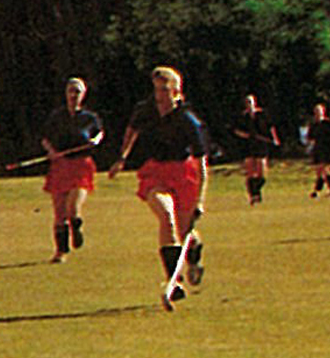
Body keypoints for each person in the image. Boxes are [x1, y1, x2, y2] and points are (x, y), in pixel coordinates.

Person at [109, 66, 210, 310]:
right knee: (167, 218)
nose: (160, 96)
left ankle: (193, 253)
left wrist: (200, 200)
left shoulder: (188, 120)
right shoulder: (145, 110)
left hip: (184, 173)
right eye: (157, 90)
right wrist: (122, 157)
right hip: (155, 172)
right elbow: (131, 130)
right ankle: (172, 281)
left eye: (165, 90)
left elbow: (202, 165)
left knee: (185, 231)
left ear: (176, 92)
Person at [40, 78, 103, 263]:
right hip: (60, 165)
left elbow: (99, 133)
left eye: (77, 91)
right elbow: (45, 138)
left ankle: (76, 228)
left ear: (83, 95)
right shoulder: (57, 117)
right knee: (59, 212)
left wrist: (96, 140)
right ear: (66, 93)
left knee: (72, 209)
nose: (73, 95)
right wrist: (51, 152)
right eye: (71, 91)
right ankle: (61, 251)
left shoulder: (89, 118)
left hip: (81, 165)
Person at [230, 94, 280, 205]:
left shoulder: (262, 115)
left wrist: (275, 138)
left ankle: (256, 191)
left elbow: (271, 127)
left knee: (262, 173)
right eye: (247, 103)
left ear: (254, 103)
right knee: (250, 172)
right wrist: (245, 135)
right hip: (248, 146)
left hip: (261, 145)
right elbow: (236, 130)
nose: (249, 105)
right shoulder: (243, 117)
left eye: (251, 103)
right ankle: (253, 195)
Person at [307, 102, 330, 198]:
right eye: (316, 112)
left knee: (323, 169)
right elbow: (310, 137)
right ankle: (320, 190)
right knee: (320, 171)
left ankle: (328, 188)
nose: (317, 113)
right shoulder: (314, 125)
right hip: (318, 149)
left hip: (327, 148)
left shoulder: (328, 124)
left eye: (319, 111)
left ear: (323, 112)